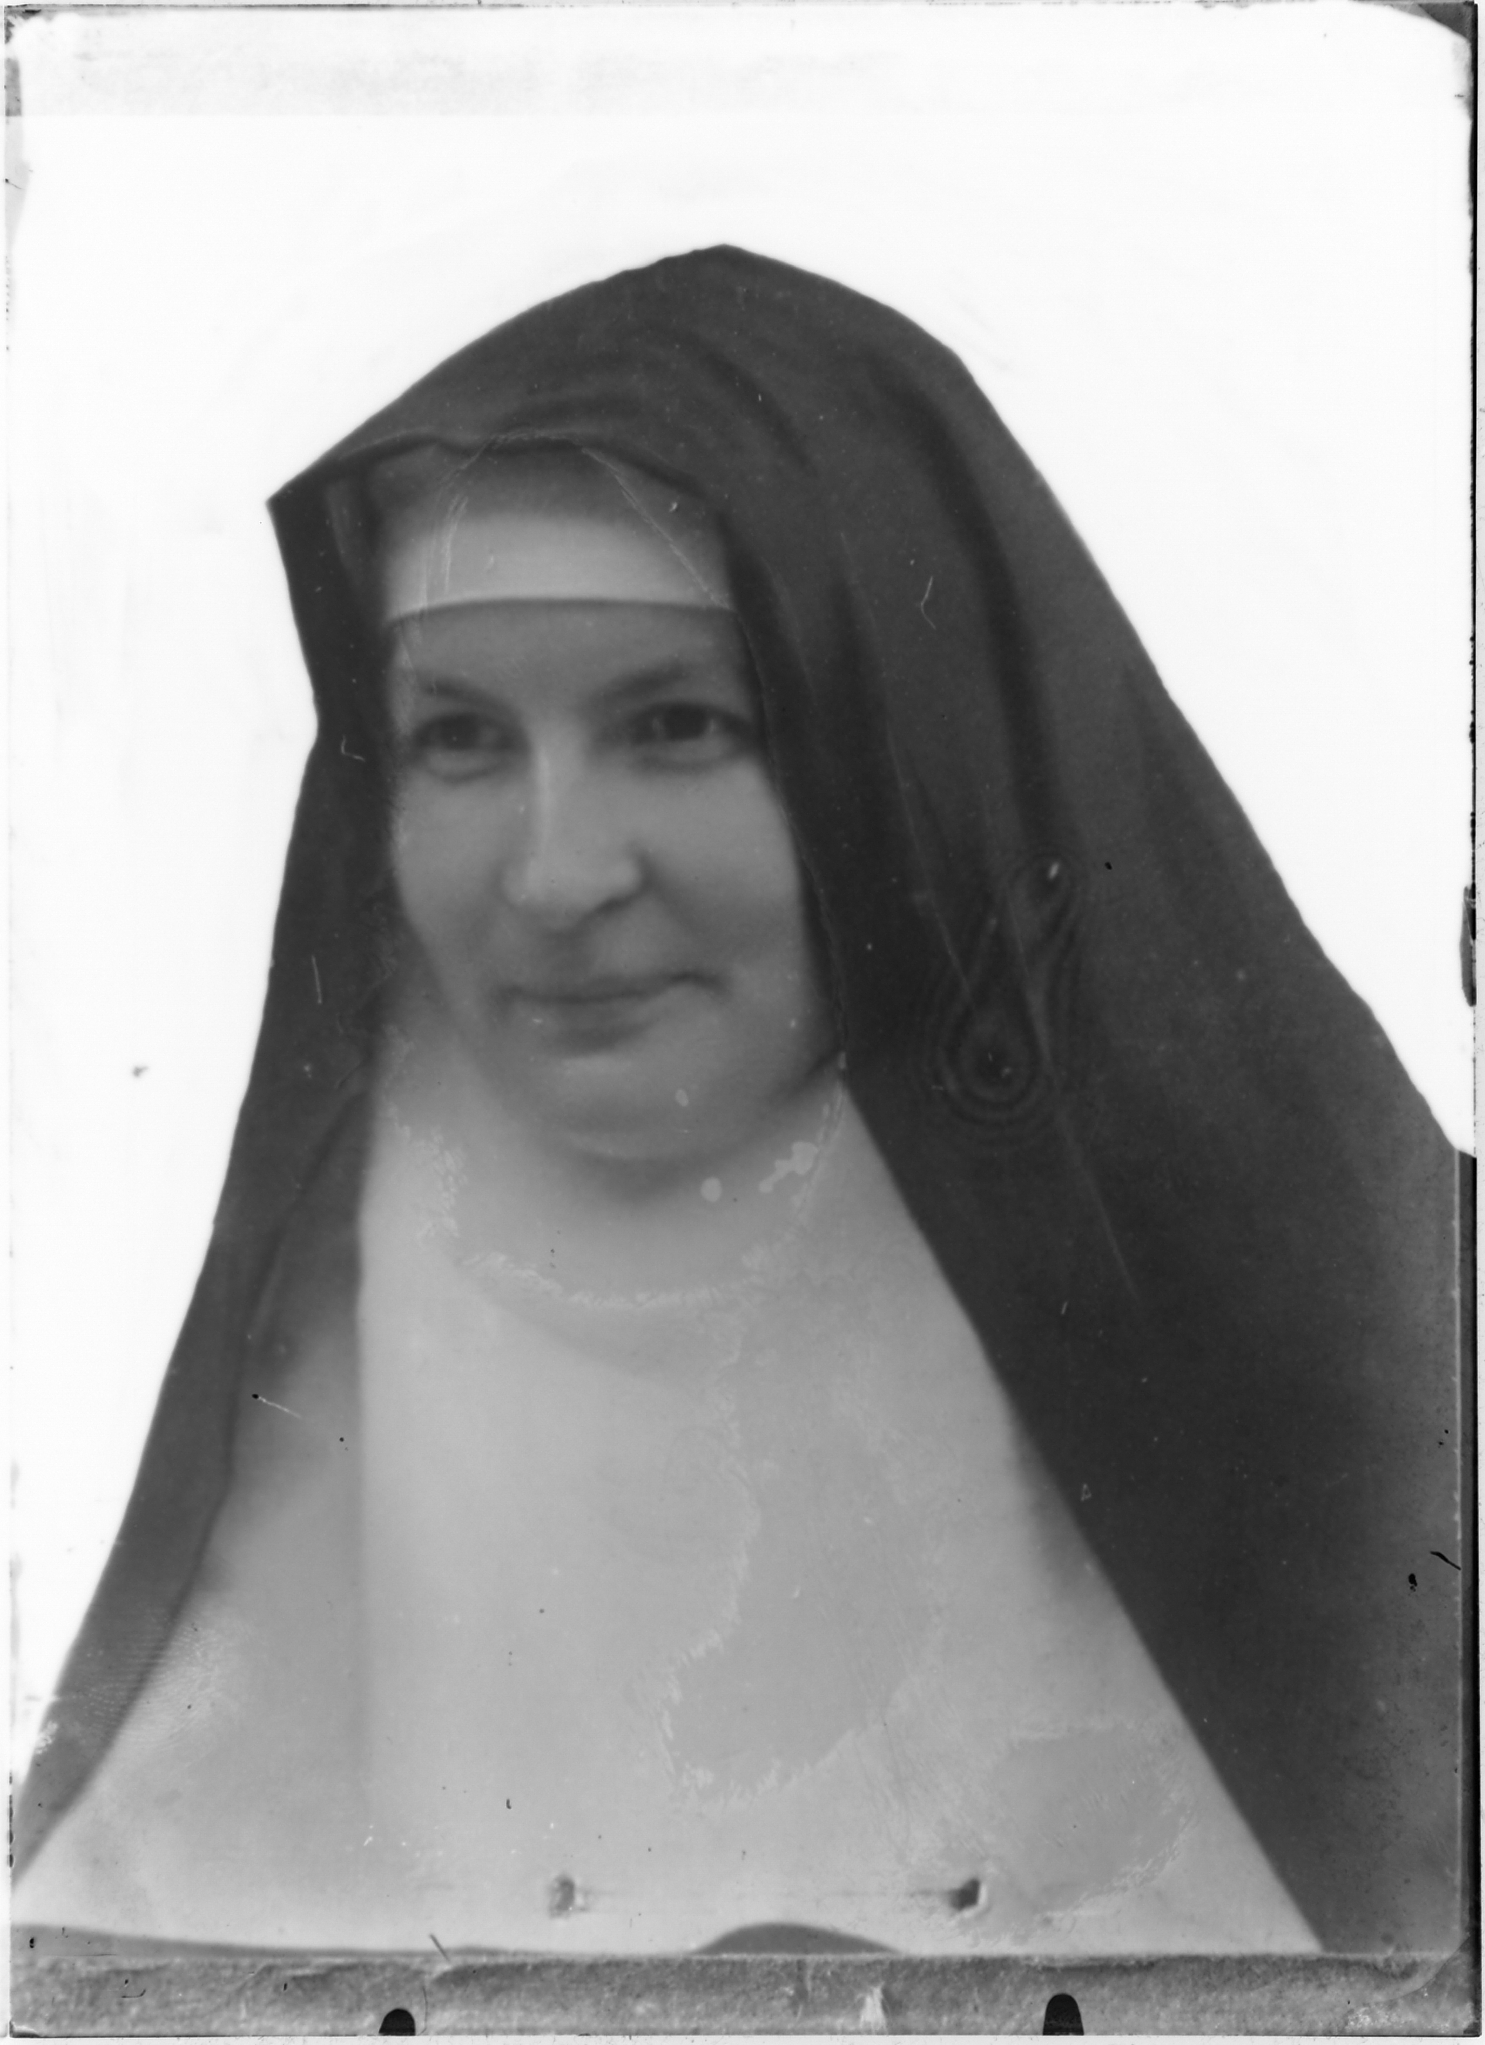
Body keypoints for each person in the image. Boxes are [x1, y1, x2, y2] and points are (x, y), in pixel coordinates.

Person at [13, 247, 1465, 1959]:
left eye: (680, 723)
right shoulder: (320, 1334)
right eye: (459, 739)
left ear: (902, 752)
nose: (554, 875)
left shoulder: (1384, 1346)